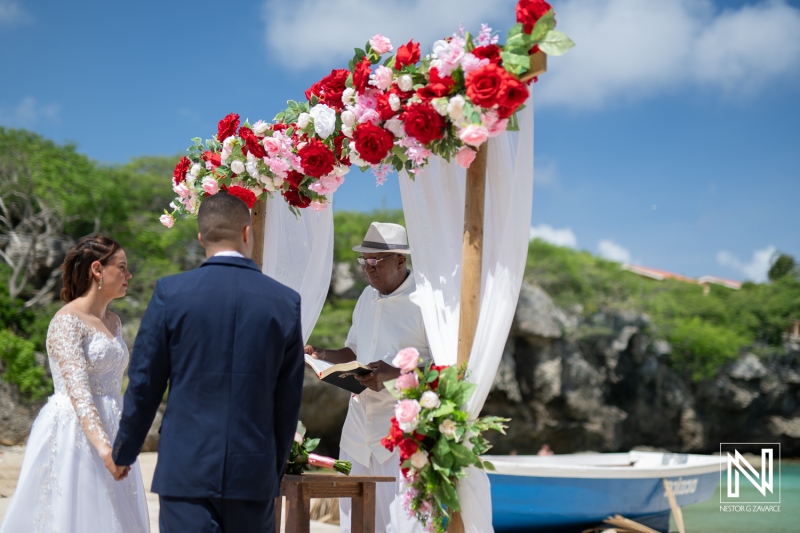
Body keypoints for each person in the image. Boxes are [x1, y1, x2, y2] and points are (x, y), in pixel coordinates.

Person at [110, 192, 305, 532]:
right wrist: (269, 473)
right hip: (253, 476)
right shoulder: (285, 302)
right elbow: (288, 404)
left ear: (201, 238)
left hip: (186, 471)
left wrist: (124, 451)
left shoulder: (171, 293)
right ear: (247, 232)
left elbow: (144, 383)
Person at [0, 234, 150, 533]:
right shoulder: (66, 321)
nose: (128, 275)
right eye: (121, 267)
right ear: (97, 269)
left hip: (114, 424)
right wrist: (105, 450)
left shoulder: (114, 322)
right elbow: (79, 393)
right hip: (75, 431)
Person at [305, 222, 431, 533]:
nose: (367, 269)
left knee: (405, 525)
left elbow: (444, 366)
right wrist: (319, 354)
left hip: (401, 433)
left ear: (400, 261)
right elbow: (352, 353)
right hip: (358, 431)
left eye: (374, 261)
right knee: (354, 522)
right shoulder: (365, 297)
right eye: (363, 261)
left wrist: (392, 375)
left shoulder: (426, 301)